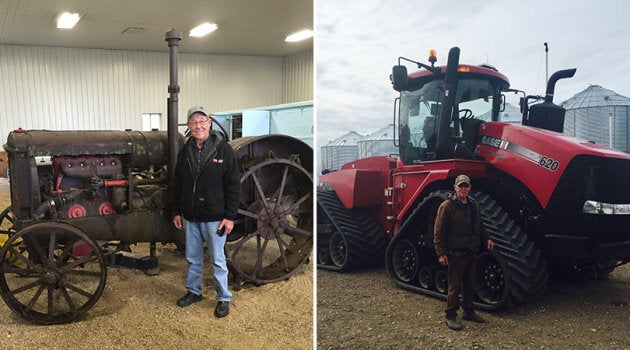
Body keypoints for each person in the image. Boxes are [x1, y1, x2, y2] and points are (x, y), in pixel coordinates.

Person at [172, 106, 240, 318]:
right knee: (193, 257)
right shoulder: (185, 151)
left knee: (217, 260)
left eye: (202, 121)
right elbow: (178, 184)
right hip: (191, 216)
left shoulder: (224, 150)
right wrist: (176, 211)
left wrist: (229, 216)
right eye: (194, 123)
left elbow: (233, 185)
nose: (198, 126)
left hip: (214, 218)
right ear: (189, 126)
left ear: (209, 123)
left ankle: (223, 298)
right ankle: (194, 292)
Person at [433, 174, 494, 330]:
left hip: (471, 251)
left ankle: (468, 311)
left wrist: (487, 238)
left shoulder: (473, 205)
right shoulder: (447, 206)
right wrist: (441, 253)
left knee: (469, 283)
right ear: (455, 187)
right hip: (455, 252)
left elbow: (479, 224)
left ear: (470, 188)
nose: (463, 189)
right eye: (461, 186)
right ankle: (450, 315)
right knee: (454, 285)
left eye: (466, 186)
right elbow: (439, 231)